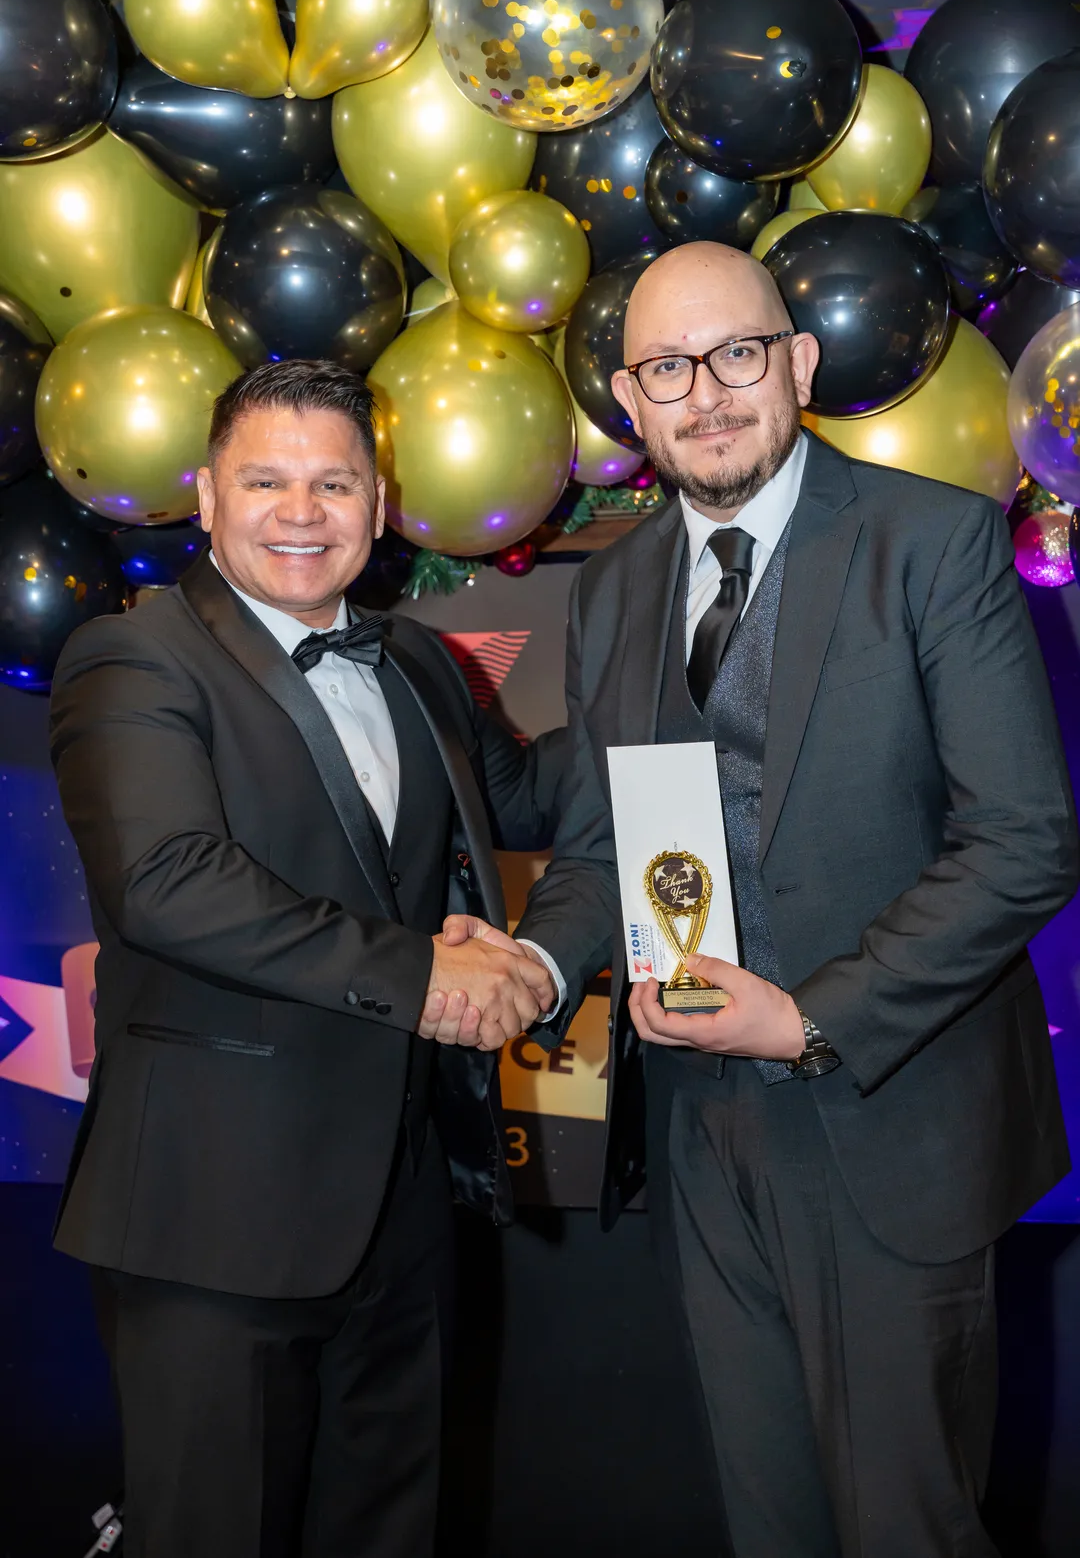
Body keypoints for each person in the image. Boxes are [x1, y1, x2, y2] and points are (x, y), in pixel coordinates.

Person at [444, 243, 1079, 1556]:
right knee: (767, 1519)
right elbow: (598, 845)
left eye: (736, 354)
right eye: (669, 368)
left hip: (888, 1119)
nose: (707, 394)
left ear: (795, 364)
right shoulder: (619, 586)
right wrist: (538, 972)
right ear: (632, 397)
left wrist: (812, 1017)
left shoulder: (933, 542)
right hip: (698, 1133)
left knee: (909, 1527)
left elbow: (1024, 841)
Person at [49, 358, 561, 1558]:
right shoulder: (135, 657)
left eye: (334, 483)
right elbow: (170, 883)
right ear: (205, 496)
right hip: (210, 1214)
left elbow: (528, 793)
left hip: (406, 1201)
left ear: (377, 507)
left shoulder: (421, 659)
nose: (301, 510)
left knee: (391, 1530)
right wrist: (427, 975)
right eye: (266, 480)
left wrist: (683, 695)